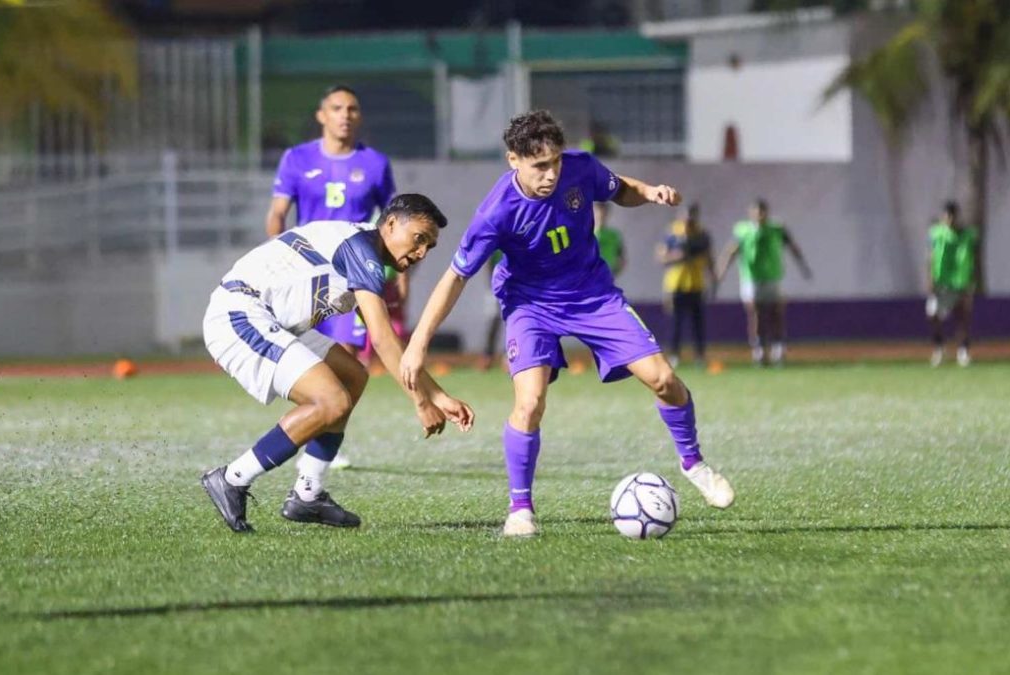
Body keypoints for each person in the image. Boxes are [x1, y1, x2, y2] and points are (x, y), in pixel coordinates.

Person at [400, 110, 734, 538]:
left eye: (555, 161)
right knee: (530, 402)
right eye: (540, 165)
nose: (552, 173)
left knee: (664, 378)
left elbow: (618, 189)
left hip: (592, 293)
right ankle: (520, 510)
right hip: (529, 304)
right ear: (513, 160)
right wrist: (418, 343)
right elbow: (455, 278)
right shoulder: (496, 213)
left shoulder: (579, 168)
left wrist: (649, 192)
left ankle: (695, 465)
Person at [201, 194, 473, 533]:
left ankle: (307, 493)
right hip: (242, 312)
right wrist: (420, 401)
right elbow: (384, 339)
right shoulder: (362, 249)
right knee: (331, 401)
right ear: (390, 224)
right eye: (419, 239)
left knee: (353, 377)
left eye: (429, 247)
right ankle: (232, 478)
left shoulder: (366, 249)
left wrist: (438, 396)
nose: (421, 253)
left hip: (275, 320)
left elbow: (386, 342)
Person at [265, 84, 396, 466]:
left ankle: (323, 440)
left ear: (359, 116)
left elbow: (393, 221)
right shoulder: (296, 158)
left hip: (353, 275)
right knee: (308, 354)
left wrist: (399, 272)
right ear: (322, 115)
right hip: (306, 272)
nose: (345, 115)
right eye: (337, 108)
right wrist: (277, 253)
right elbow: (277, 213)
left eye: (352, 108)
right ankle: (317, 424)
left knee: (351, 360)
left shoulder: (376, 163)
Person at [716, 199, 811, 366]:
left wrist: (803, 266)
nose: (759, 215)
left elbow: (793, 247)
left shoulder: (777, 228)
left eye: (762, 211)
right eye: (756, 211)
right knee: (755, 313)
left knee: (776, 313)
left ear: (767, 212)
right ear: (751, 213)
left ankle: (778, 347)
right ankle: (759, 349)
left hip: (773, 276)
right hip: (751, 278)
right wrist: (721, 271)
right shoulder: (743, 230)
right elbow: (732, 250)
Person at [656, 203, 714, 366]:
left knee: (698, 323)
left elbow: (709, 258)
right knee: (676, 323)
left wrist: (713, 278)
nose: (688, 221)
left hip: (696, 284)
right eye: (686, 217)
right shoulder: (672, 233)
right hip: (676, 284)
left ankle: (699, 356)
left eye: (692, 217)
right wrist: (678, 256)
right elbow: (661, 257)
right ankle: (675, 355)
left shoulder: (702, 235)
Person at [925, 201, 978, 367]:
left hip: (960, 282)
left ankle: (963, 351)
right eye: (946, 215)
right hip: (941, 281)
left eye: (952, 215)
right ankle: (939, 348)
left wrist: (972, 282)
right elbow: (931, 256)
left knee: (962, 317)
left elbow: (974, 259)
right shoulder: (936, 233)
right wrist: (929, 279)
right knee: (933, 315)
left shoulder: (968, 234)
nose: (949, 219)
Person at [594, 202, 626, 277]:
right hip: (590, 280)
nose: (600, 216)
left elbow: (622, 260)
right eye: (597, 212)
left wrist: (613, 274)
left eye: (602, 213)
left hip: (606, 278)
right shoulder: (586, 234)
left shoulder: (613, 236)